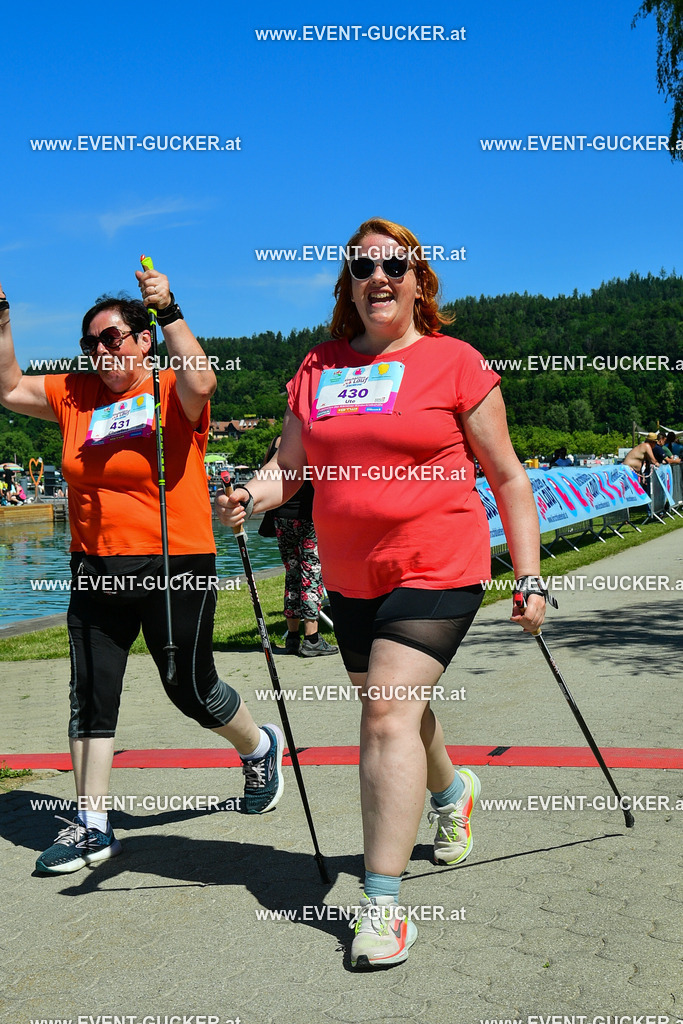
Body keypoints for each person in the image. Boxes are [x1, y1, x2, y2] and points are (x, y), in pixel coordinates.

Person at [218, 217, 549, 968]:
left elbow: (507, 477)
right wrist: (252, 493)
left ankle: (382, 905)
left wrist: (528, 577)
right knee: (402, 711)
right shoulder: (318, 368)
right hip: (351, 576)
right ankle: (450, 792)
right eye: (362, 265)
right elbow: (289, 468)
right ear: (347, 283)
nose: (379, 277)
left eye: (393, 265)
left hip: (439, 563)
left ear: (418, 280)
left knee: (382, 714)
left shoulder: (454, 362)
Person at [0, 267, 284, 875]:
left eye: (114, 339)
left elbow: (203, 377)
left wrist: (173, 307)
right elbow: (5, 387)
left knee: (188, 686)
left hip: (175, 560)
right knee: (90, 694)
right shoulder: (72, 395)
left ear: (143, 339)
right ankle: (93, 825)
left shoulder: (167, 389)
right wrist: (1, 317)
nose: (102, 352)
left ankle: (259, 747)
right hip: (96, 567)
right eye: (91, 343)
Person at [261, 435, 338, 657]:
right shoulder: (309, 441)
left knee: (292, 574)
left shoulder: (276, 443)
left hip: (282, 516)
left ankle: (293, 638)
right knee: (311, 575)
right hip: (308, 517)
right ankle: (312, 639)